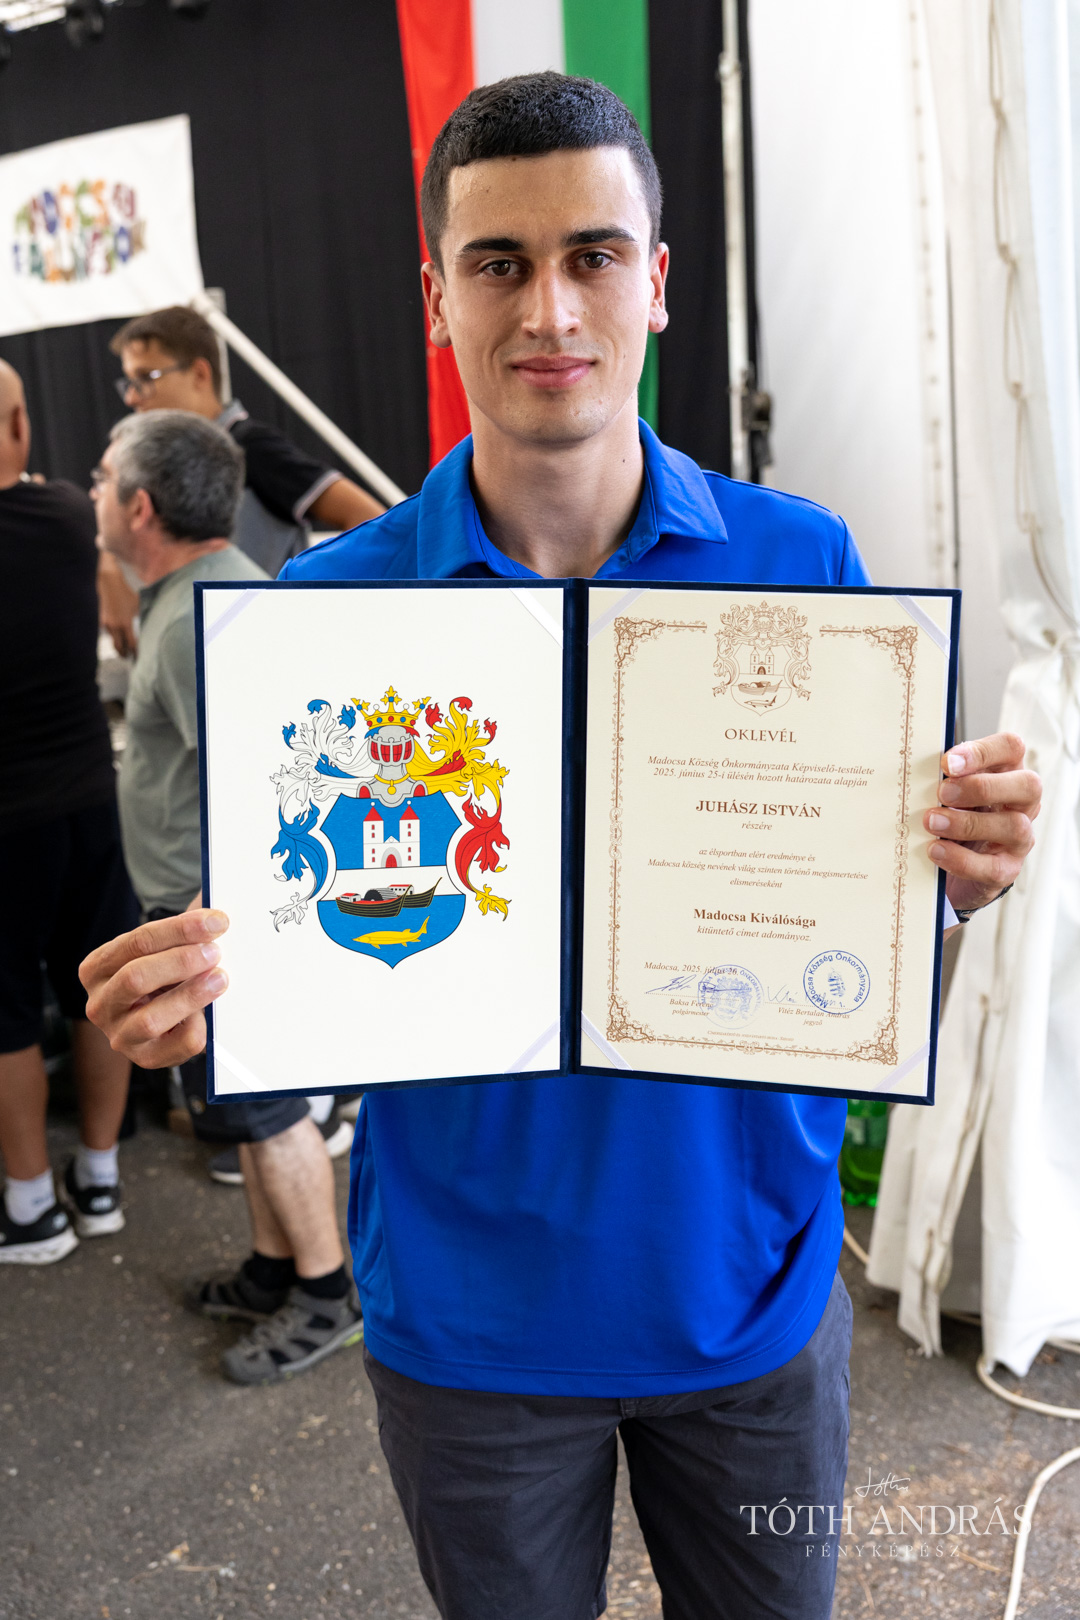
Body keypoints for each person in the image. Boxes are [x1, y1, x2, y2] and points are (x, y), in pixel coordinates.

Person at [81, 75, 1042, 1619]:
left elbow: (858, 933)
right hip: (471, 1339)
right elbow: (287, 958)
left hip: (747, 1308)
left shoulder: (802, 565)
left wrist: (951, 888)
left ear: (655, 281)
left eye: (593, 255)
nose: (549, 308)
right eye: (499, 262)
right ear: (437, 296)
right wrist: (195, 997)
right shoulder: (324, 622)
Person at [92, 408, 362, 1384]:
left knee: (272, 1112)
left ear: (141, 507)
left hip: (215, 924)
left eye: (102, 479)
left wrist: (222, 935)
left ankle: (326, 1293)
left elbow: (262, 784)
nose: (92, 493)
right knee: (244, 1107)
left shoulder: (194, 624)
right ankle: (272, 1268)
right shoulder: (203, 596)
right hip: (202, 916)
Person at [0, 359, 137, 1264]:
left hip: (4, 823)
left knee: (7, 1014)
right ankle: (100, 1178)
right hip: (90, 800)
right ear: (20, 425)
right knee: (99, 990)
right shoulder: (62, 516)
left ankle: (30, 1208)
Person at [97, 303, 385, 656]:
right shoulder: (163, 464)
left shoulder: (249, 448)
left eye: (146, 378)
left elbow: (370, 519)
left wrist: (305, 605)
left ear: (199, 374)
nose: (132, 396)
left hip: (264, 650)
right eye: (129, 381)